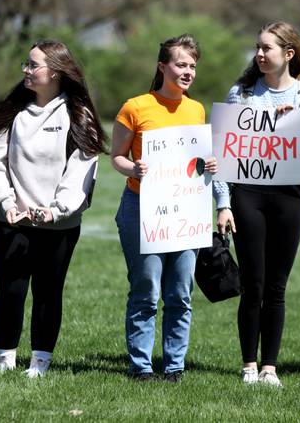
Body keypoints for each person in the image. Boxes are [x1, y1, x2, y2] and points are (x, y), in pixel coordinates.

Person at [0, 39, 105, 378]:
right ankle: (5, 360)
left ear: (57, 72)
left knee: (49, 292)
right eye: (27, 63)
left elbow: (82, 168)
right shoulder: (10, 110)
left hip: (58, 225)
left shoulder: (79, 115)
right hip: (12, 220)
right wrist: (5, 203)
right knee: (11, 290)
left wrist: (56, 209)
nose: (26, 70)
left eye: (33, 65)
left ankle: (40, 363)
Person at [214, 21, 300, 387]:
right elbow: (222, 153)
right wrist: (223, 203)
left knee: (277, 286)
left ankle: (270, 367)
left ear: (288, 54)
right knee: (253, 284)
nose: (259, 55)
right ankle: (248, 365)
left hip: (289, 199)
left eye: (267, 48)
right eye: (257, 48)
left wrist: (291, 128)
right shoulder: (241, 94)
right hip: (248, 195)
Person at [111, 34, 217, 382]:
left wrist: (209, 165)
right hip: (143, 208)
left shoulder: (197, 109)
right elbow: (117, 158)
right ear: (162, 66)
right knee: (146, 291)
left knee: (180, 294)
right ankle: (141, 366)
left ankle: (174, 367)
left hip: (185, 211)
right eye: (181, 64)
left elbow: (194, 162)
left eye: (192, 66)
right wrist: (134, 168)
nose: (188, 72)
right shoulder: (136, 107)